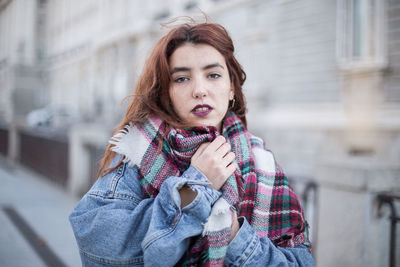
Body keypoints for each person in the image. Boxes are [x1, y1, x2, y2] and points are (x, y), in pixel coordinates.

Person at [69, 20, 314, 267]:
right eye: (182, 78)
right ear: (167, 93)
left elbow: (300, 261)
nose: (199, 90)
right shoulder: (140, 151)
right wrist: (197, 185)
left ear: (231, 88)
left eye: (213, 75)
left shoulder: (263, 164)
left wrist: (236, 237)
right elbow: (98, 243)